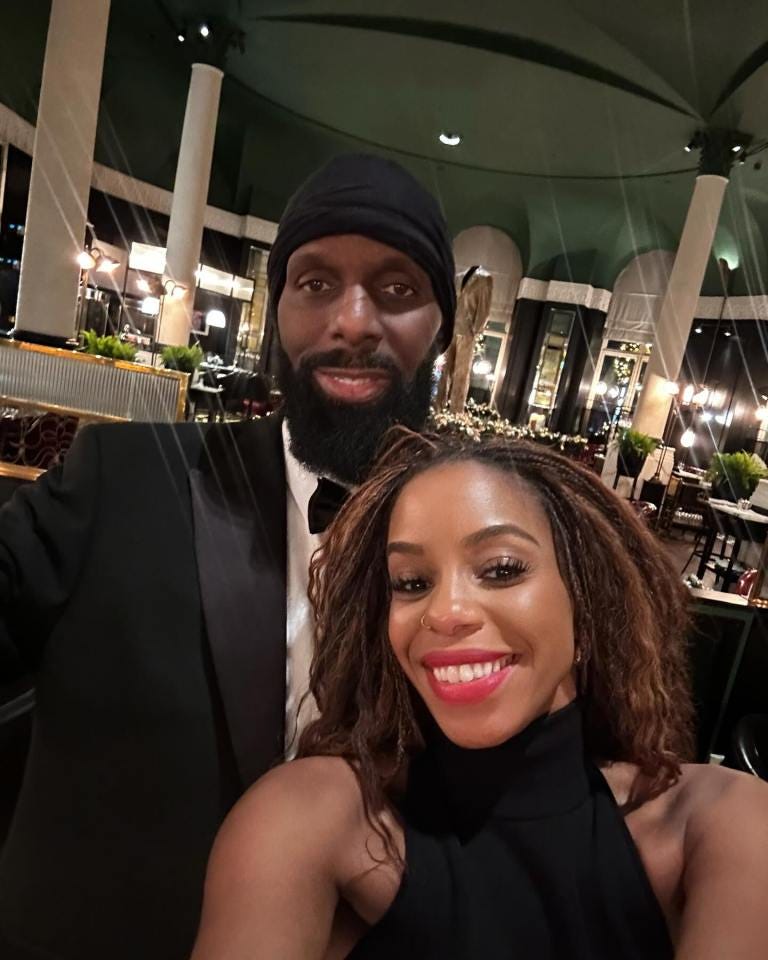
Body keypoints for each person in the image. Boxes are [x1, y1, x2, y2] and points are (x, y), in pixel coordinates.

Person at [0, 153, 456, 960]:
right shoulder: (123, 481)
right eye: (315, 284)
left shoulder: (482, 553)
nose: (352, 322)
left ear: (444, 329)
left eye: (396, 289)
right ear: (277, 311)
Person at [192, 429, 768, 959]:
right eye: (412, 583)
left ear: (586, 599)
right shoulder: (312, 816)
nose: (445, 613)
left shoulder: (721, 824)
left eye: (500, 569)